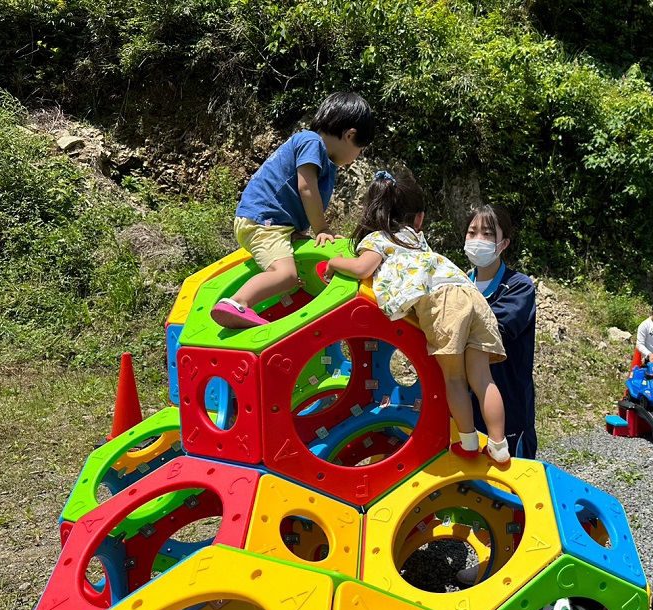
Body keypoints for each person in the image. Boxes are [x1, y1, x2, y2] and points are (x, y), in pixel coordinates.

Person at [320, 171, 511, 464]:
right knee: (483, 379)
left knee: (455, 378)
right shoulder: (415, 239)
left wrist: (334, 262)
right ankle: (499, 447)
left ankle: (470, 443)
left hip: (444, 301)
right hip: (470, 293)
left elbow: (362, 269)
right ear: (418, 219)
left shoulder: (378, 239)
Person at [211, 92, 374, 329]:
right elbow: (306, 187)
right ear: (351, 135)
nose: (358, 157)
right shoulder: (311, 142)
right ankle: (237, 302)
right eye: (361, 149)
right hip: (264, 221)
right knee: (286, 275)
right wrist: (322, 228)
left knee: (293, 270)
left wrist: (296, 231)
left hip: (276, 223)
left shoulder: (319, 154)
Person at [464, 204, 537, 460]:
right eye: (472, 233)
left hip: (510, 408)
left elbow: (494, 331)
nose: (477, 240)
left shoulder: (519, 287)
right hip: (464, 410)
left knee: (511, 486)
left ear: (503, 243)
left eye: (487, 234)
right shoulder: (460, 283)